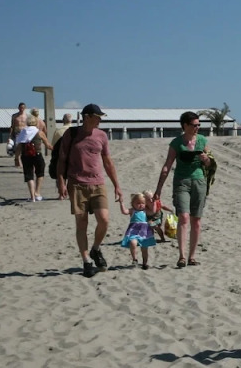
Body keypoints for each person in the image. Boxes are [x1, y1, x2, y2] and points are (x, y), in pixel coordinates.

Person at [57, 103, 123, 278]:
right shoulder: (71, 135)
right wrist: (61, 183)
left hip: (98, 183)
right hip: (77, 183)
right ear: (87, 117)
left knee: (104, 219)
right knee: (82, 223)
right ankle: (86, 261)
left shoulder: (101, 135)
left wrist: (116, 184)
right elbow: (62, 160)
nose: (100, 120)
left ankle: (95, 249)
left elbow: (108, 161)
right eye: (97, 117)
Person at [153, 111, 211, 268]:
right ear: (185, 125)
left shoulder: (202, 140)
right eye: (194, 125)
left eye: (199, 125)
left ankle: (192, 256)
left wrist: (206, 160)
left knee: (196, 220)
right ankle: (182, 256)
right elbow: (167, 166)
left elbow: (209, 164)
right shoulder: (176, 142)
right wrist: (158, 189)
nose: (197, 128)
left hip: (199, 181)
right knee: (184, 217)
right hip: (181, 182)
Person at [15, 114, 53, 202]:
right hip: (37, 154)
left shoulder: (23, 132)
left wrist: (17, 158)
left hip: (26, 156)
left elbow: (19, 147)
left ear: (27, 122)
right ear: (36, 122)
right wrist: (56, 149)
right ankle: (37, 192)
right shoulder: (39, 132)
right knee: (40, 173)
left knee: (29, 175)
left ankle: (32, 197)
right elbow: (48, 145)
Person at [119, 193, 156, 269]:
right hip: (134, 230)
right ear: (133, 204)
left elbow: (153, 211)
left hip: (144, 231)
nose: (141, 205)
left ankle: (144, 263)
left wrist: (154, 202)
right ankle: (134, 259)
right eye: (138, 203)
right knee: (133, 242)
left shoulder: (146, 211)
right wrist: (121, 203)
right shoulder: (132, 210)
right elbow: (124, 212)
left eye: (143, 203)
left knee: (144, 248)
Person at [10, 102, 27, 167]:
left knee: (24, 149)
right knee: (17, 148)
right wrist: (10, 136)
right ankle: (17, 160)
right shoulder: (15, 116)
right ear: (18, 108)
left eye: (23, 108)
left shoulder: (27, 116)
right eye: (20, 107)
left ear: (25, 108)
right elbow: (12, 126)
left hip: (25, 134)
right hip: (17, 133)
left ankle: (22, 161)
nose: (21, 109)